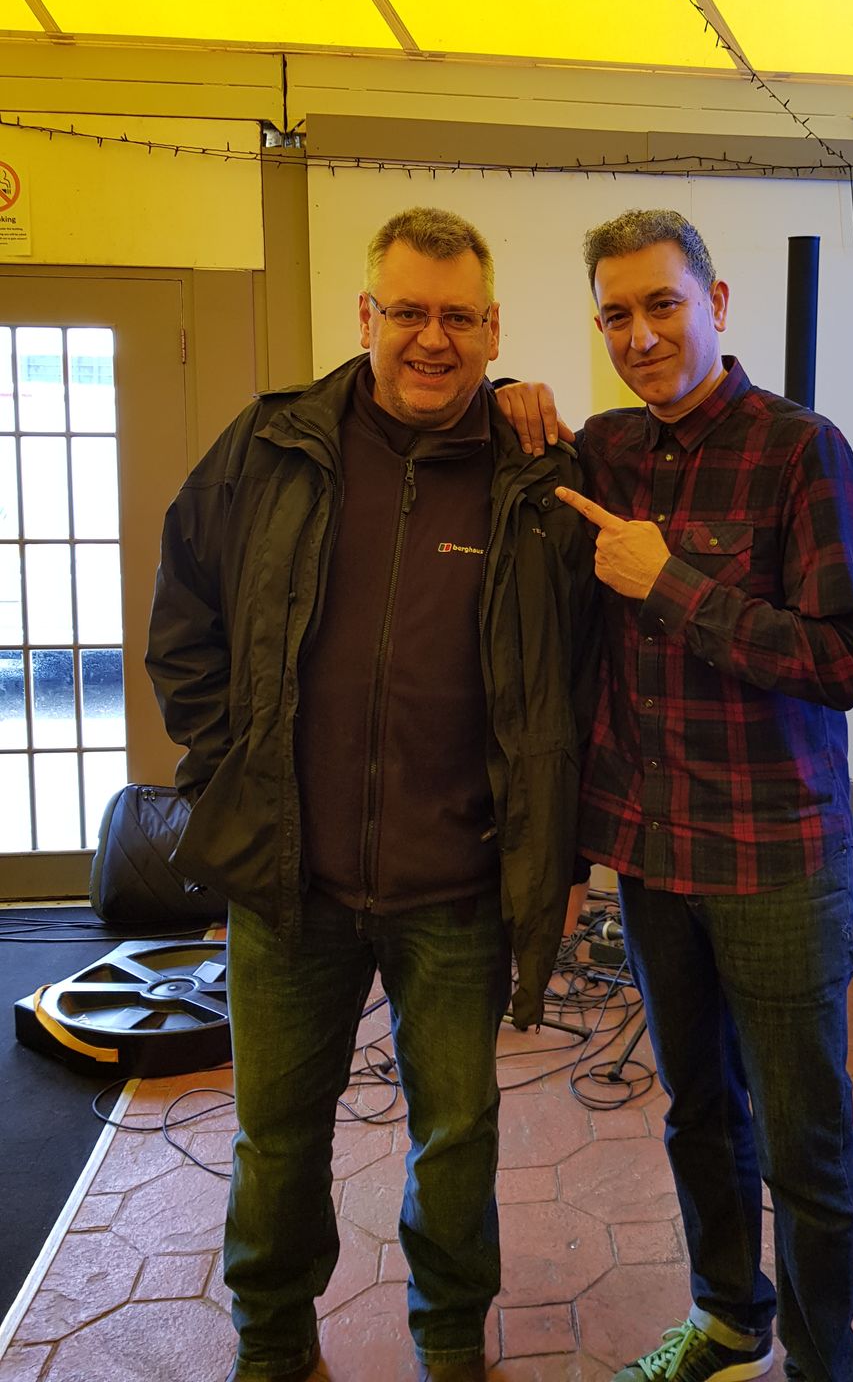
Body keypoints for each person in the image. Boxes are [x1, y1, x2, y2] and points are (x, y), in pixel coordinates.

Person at [146, 207, 595, 1382]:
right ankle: (274, 1345)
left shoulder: (538, 478)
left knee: (457, 1135)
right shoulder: (270, 448)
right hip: (290, 878)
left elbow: (579, 675)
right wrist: (231, 769)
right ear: (365, 316)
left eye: (457, 316)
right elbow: (183, 615)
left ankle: (449, 1343)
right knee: (275, 1138)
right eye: (407, 311)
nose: (431, 338)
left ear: (493, 328)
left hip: (459, 885)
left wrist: (557, 846)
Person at [497, 208, 853, 1382]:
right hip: (654, 856)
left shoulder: (802, 450)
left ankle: (824, 1364)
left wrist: (672, 582)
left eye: (662, 303)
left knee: (805, 1140)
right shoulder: (608, 450)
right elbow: (506, 445)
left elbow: (840, 661)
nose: (641, 334)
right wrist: (508, 392)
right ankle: (727, 1319)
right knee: (698, 1111)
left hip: (775, 860)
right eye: (615, 314)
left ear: (715, 303)